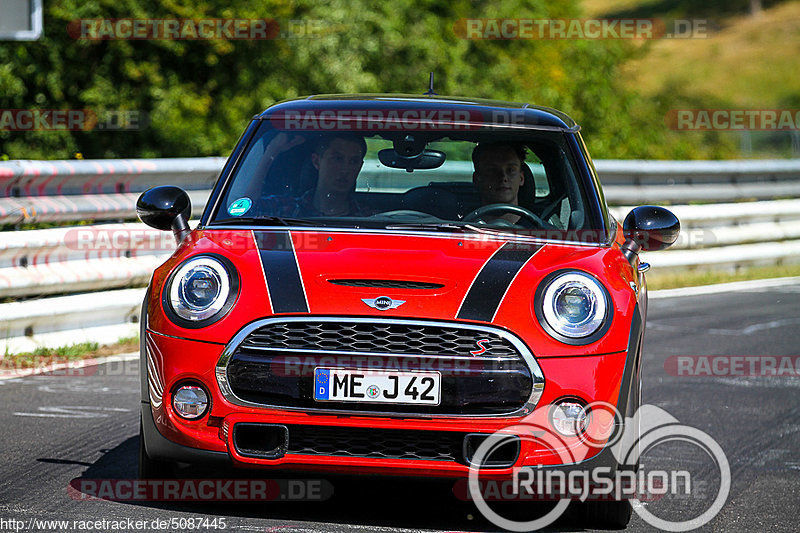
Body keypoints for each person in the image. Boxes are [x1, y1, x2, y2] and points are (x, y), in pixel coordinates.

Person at [259, 133, 372, 217]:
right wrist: (272, 150)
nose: (345, 169)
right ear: (316, 161)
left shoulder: (368, 218)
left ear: (360, 166)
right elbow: (246, 209)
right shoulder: (286, 209)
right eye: (337, 159)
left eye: (353, 161)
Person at [471, 142, 527, 224]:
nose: (503, 177)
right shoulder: (458, 229)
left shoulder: (541, 231)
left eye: (511, 170)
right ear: (476, 179)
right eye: (492, 170)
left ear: (521, 178)